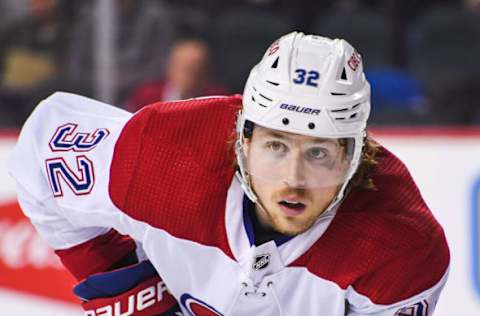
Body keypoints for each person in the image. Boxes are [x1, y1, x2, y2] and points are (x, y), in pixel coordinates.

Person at [8, 32, 449, 315]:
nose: (293, 178)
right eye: (276, 147)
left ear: (356, 159)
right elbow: (40, 147)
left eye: (319, 154)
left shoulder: (399, 247)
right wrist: (117, 271)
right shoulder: (165, 155)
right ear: (243, 141)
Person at [124, 38, 226, 111]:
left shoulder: (218, 100)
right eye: (187, 69)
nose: (193, 77)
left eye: (200, 70)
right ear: (171, 68)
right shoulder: (146, 96)